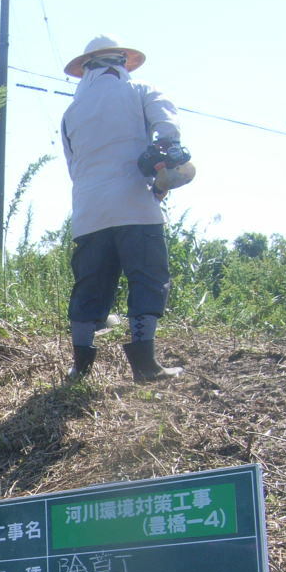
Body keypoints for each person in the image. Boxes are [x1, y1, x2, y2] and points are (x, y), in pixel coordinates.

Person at [60, 34, 185, 383]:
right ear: (122, 62)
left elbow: (74, 168)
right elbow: (168, 131)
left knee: (90, 288)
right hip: (135, 206)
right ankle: (146, 366)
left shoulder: (71, 113)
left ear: (86, 71)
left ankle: (79, 369)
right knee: (147, 279)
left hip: (88, 213)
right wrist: (163, 164)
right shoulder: (140, 90)